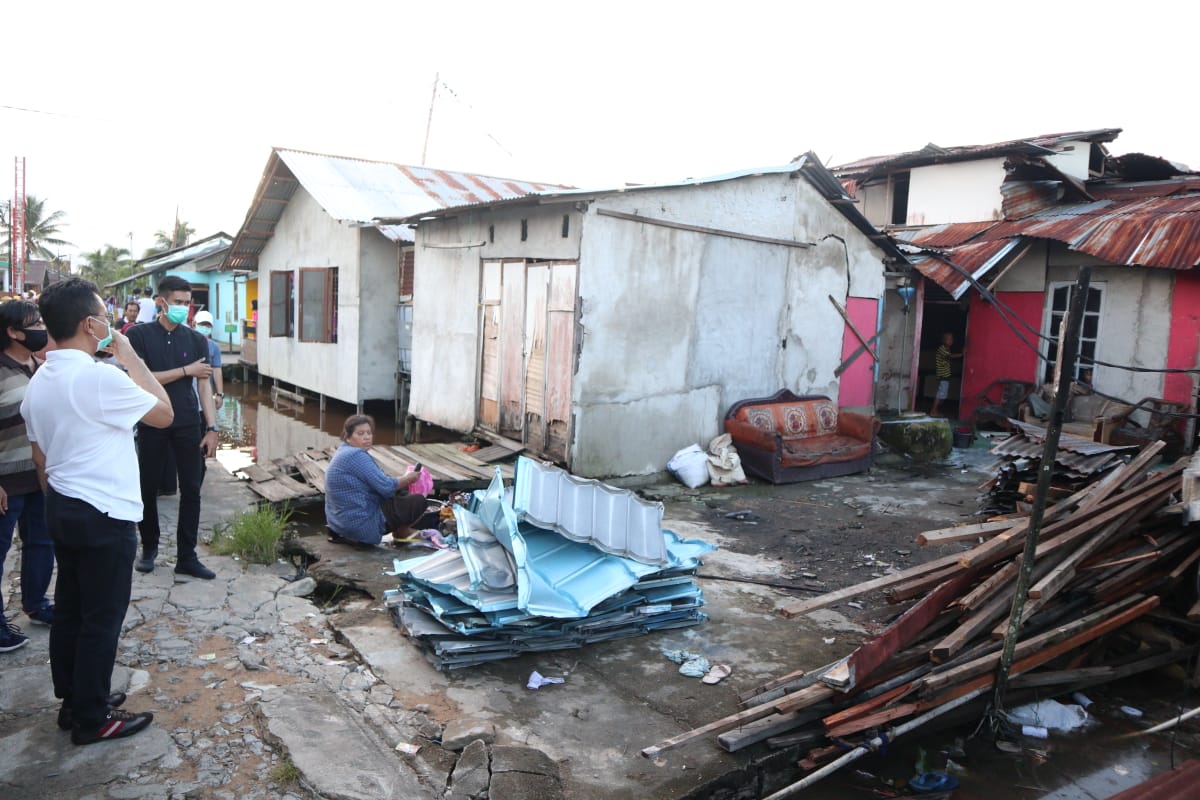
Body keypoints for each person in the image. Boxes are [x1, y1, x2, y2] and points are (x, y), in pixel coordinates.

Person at [22, 276, 173, 744]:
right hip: (102, 513)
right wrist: (127, 352)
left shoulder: (40, 379)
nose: (110, 328)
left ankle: (74, 699)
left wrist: (58, 503)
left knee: (71, 609)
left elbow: (39, 456)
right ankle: (91, 717)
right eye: (105, 321)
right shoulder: (100, 376)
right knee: (101, 618)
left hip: (63, 506)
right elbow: (164, 413)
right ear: (91, 324)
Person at [126, 275, 219, 579]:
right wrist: (184, 371)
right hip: (152, 421)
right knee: (147, 487)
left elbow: (204, 386)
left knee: (191, 489)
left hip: (187, 423)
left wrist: (212, 428)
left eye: (187, 303)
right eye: (178, 302)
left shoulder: (195, 340)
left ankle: (186, 556)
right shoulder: (139, 336)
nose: (184, 308)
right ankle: (149, 546)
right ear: (161, 302)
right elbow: (141, 379)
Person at [0, 300, 53, 653]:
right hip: (6, 481)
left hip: (39, 475)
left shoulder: (39, 364)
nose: (41, 329)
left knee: (41, 543)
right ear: (13, 332)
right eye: (34, 324)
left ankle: (36, 603)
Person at [324, 415, 426, 547]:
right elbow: (386, 486)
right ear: (348, 437)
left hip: (338, 525)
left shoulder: (343, 451)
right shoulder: (356, 455)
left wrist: (402, 481)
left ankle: (401, 530)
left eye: (369, 433)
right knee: (418, 501)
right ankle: (401, 532)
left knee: (398, 494)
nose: (366, 437)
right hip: (359, 526)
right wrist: (408, 478)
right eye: (360, 434)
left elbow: (379, 482)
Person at [192, 310, 224, 402]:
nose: (205, 328)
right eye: (202, 325)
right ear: (194, 324)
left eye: (208, 325)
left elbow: (217, 370)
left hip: (206, 392)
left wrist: (219, 394)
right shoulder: (186, 342)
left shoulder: (214, 347)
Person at [930, 331, 963, 418]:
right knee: (941, 393)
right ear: (943, 341)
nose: (951, 341)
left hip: (945, 376)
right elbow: (950, 356)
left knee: (943, 394)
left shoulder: (947, 349)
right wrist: (962, 354)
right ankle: (933, 410)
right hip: (943, 375)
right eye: (949, 339)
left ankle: (936, 410)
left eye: (952, 339)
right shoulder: (942, 349)